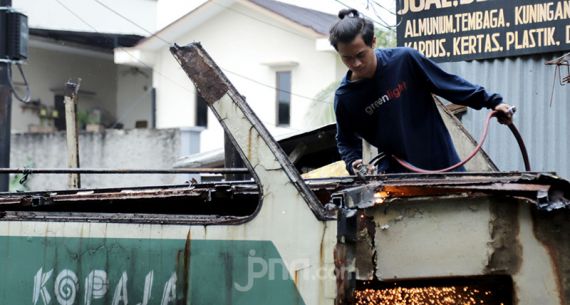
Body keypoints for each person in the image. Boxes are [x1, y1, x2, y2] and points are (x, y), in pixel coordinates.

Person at [329, 8, 514, 174]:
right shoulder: (346, 97)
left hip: (443, 164)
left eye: (361, 55)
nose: (356, 64)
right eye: (347, 58)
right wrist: (353, 162)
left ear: (373, 42)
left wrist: (493, 101)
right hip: (397, 177)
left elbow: (449, 84)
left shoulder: (404, 60)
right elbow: (344, 140)